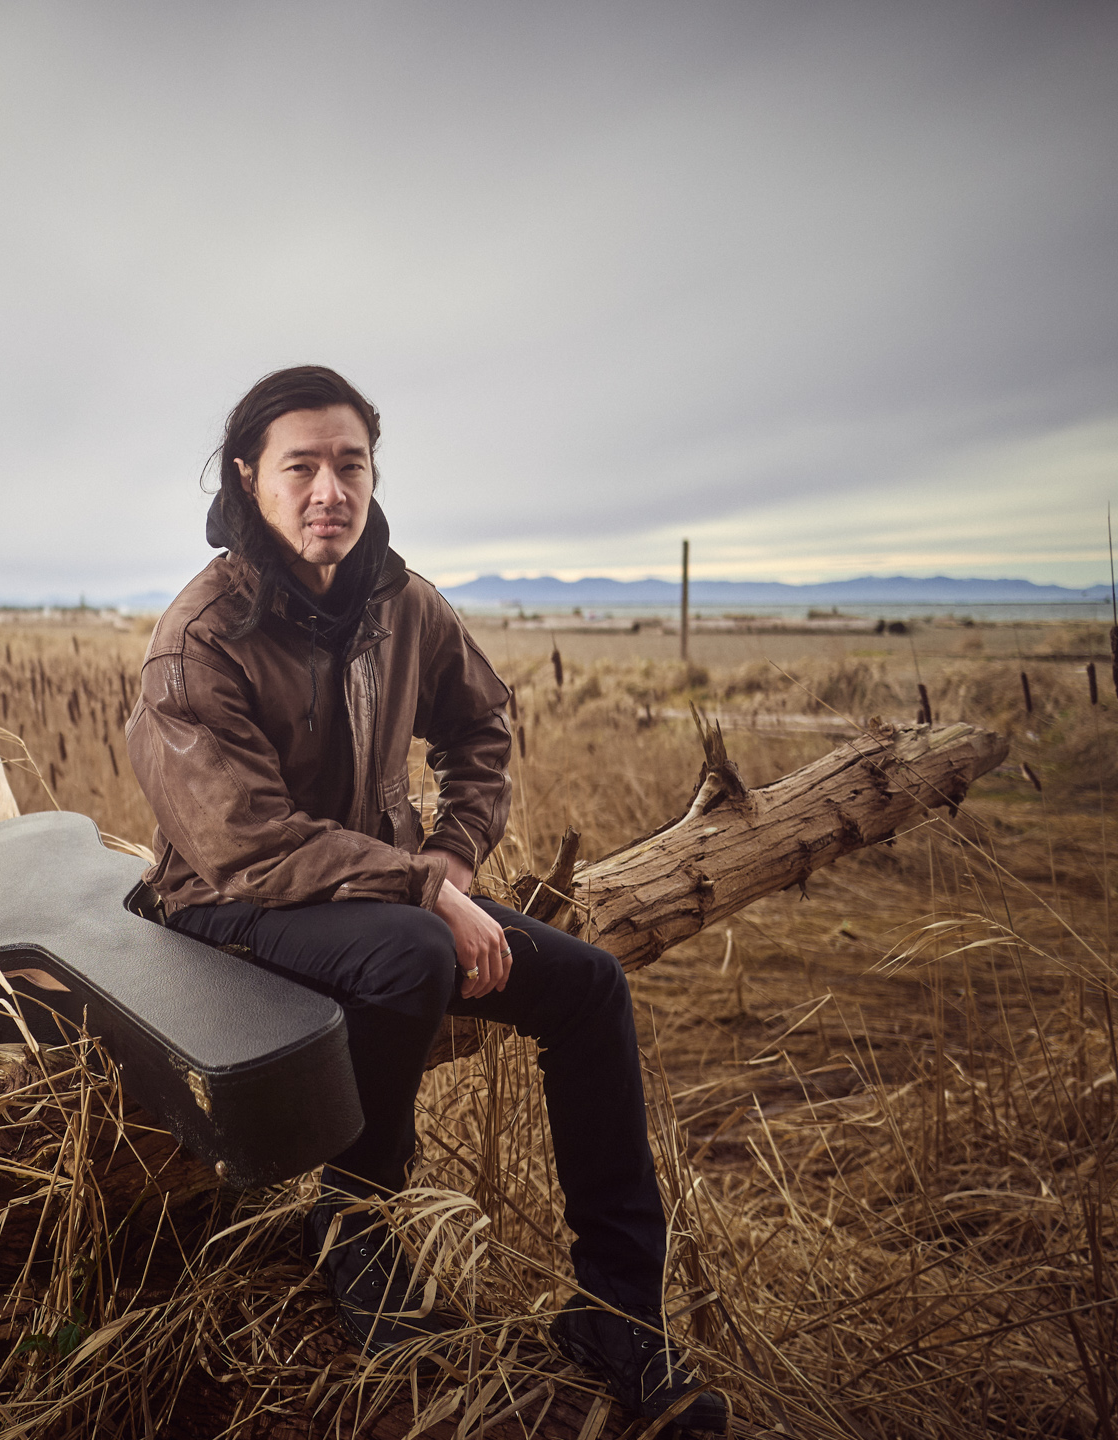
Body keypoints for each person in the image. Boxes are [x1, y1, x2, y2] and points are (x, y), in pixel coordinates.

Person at [124, 366, 726, 1433]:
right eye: (300, 466)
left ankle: (615, 1313)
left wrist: (450, 860)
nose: (328, 491)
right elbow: (244, 843)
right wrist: (424, 893)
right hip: (223, 907)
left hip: (382, 902)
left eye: (349, 465)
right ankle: (358, 1225)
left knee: (588, 987)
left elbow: (483, 728)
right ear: (246, 478)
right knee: (411, 956)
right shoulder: (199, 636)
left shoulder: (399, 601)